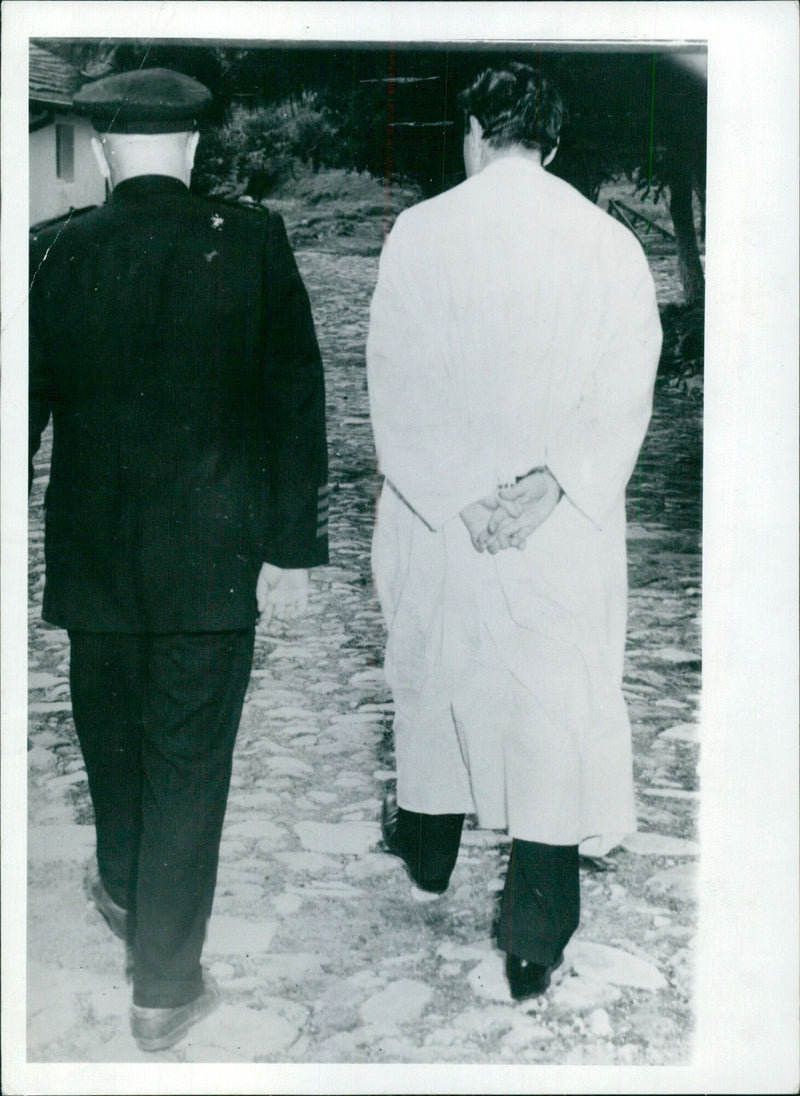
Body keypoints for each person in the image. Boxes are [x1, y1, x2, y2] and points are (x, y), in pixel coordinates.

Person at [28, 67, 328, 1050]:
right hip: (213, 566)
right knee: (189, 764)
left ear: (110, 151)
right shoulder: (250, 243)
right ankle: (162, 987)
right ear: (194, 150)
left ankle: (123, 882)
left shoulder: (54, 251)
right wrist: (290, 553)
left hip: (94, 567)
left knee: (109, 739)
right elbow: (295, 400)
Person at [367, 62, 662, 1000]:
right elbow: (627, 380)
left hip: (448, 518)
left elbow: (398, 379)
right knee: (548, 702)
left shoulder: (421, 232)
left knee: (438, 670)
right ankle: (535, 937)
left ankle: (429, 846)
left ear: (472, 131)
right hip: (556, 528)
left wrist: (462, 495)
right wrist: (555, 487)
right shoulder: (606, 242)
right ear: (553, 142)